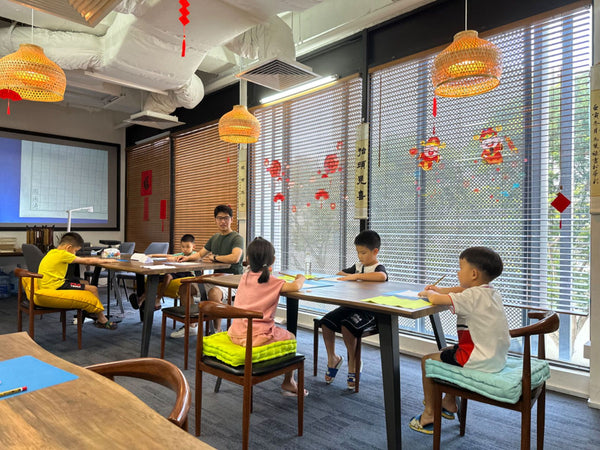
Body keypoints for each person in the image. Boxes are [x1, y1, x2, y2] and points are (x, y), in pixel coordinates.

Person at [408, 246, 509, 435]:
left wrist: (430, 294)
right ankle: (448, 402)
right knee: (446, 351)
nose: (457, 272)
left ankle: (429, 413)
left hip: (478, 359)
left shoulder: (471, 296)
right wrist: (440, 289)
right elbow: (460, 290)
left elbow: (437, 300)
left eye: (461, 268)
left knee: (427, 360)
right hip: (495, 356)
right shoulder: (491, 292)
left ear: (473, 274)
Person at [227, 237, 307, 396]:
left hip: (235, 333)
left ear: (248, 258)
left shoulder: (245, 277)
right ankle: (289, 381)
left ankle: (288, 381)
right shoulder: (273, 282)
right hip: (255, 337)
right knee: (291, 337)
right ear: (273, 260)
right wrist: (301, 277)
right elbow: (296, 286)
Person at [320, 230, 388, 390]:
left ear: (375, 252)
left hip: (369, 311)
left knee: (347, 326)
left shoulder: (378, 267)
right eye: (358, 252)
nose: (360, 256)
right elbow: (340, 274)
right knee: (326, 322)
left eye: (363, 253)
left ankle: (353, 362)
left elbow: (382, 277)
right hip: (351, 307)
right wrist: (348, 275)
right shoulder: (357, 266)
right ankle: (333, 358)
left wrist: (355, 277)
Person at [173, 204, 244, 338]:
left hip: (233, 280)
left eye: (226, 218)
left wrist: (215, 257)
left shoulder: (237, 238)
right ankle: (192, 326)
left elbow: (235, 258)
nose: (223, 221)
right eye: (219, 218)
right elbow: (200, 254)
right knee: (185, 288)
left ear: (231, 219)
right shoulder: (215, 238)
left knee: (214, 293)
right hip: (216, 278)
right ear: (215, 220)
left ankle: (216, 331)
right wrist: (187, 258)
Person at [37, 232, 118, 330]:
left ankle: (90, 311)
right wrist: (107, 260)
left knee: (85, 283)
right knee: (93, 289)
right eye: (75, 251)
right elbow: (86, 261)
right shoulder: (63, 254)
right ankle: (102, 319)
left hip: (50, 283)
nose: (75, 254)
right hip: (55, 286)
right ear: (68, 248)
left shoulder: (52, 252)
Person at [129, 234, 198, 312]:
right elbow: (166, 255)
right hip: (176, 272)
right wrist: (151, 255)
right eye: (183, 247)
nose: (185, 249)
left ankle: (158, 300)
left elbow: (197, 259)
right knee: (155, 278)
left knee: (168, 276)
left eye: (188, 247)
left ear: (193, 247)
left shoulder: (195, 255)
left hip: (187, 273)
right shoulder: (180, 254)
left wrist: (179, 259)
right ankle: (141, 299)